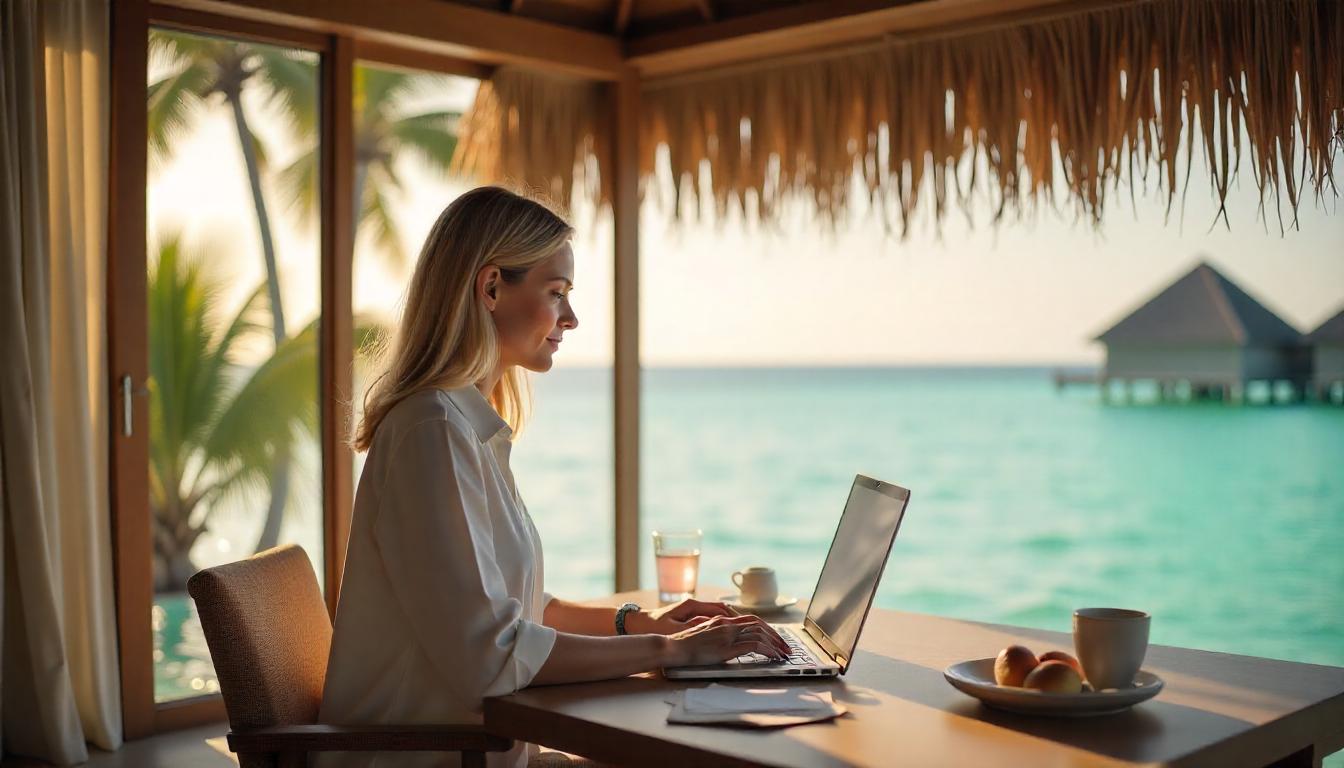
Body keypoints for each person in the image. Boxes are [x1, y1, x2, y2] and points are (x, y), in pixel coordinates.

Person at [318, 187, 790, 768]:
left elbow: (515, 608)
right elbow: (489, 656)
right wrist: (669, 649)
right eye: (556, 293)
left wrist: (639, 622)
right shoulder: (431, 430)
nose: (571, 317)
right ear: (491, 287)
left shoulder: (464, 426)